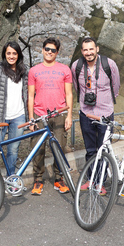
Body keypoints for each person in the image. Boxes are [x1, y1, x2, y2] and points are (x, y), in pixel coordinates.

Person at [71, 37, 120, 195]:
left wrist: (105, 101)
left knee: (103, 149)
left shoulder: (109, 64)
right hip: (86, 113)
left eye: (91, 49)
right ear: (82, 51)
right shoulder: (77, 66)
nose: (88, 52)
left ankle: (101, 181)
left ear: (97, 49)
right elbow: (76, 86)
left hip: (105, 113)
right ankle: (91, 178)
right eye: (85, 50)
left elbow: (116, 85)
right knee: (90, 149)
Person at [28, 37, 73, 195]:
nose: (49, 52)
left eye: (53, 50)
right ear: (42, 50)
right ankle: (38, 179)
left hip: (59, 114)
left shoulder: (64, 69)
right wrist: (31, 117)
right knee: (38, 148)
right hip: (40, 115)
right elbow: (31, 96)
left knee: (59, 148)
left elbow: (69, 93)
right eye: (47, 49)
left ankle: (58, 179)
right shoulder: (34, 71)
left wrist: (69, 116)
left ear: (57, 53)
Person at [0, 41, 28, 176]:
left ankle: (11, 179)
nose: (11, 56)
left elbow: (29, 93)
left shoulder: (25, 70)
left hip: (19, 116)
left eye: (14, 53)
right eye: (8, 53)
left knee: (13, 150)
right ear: (4, 54)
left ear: (18, 54)